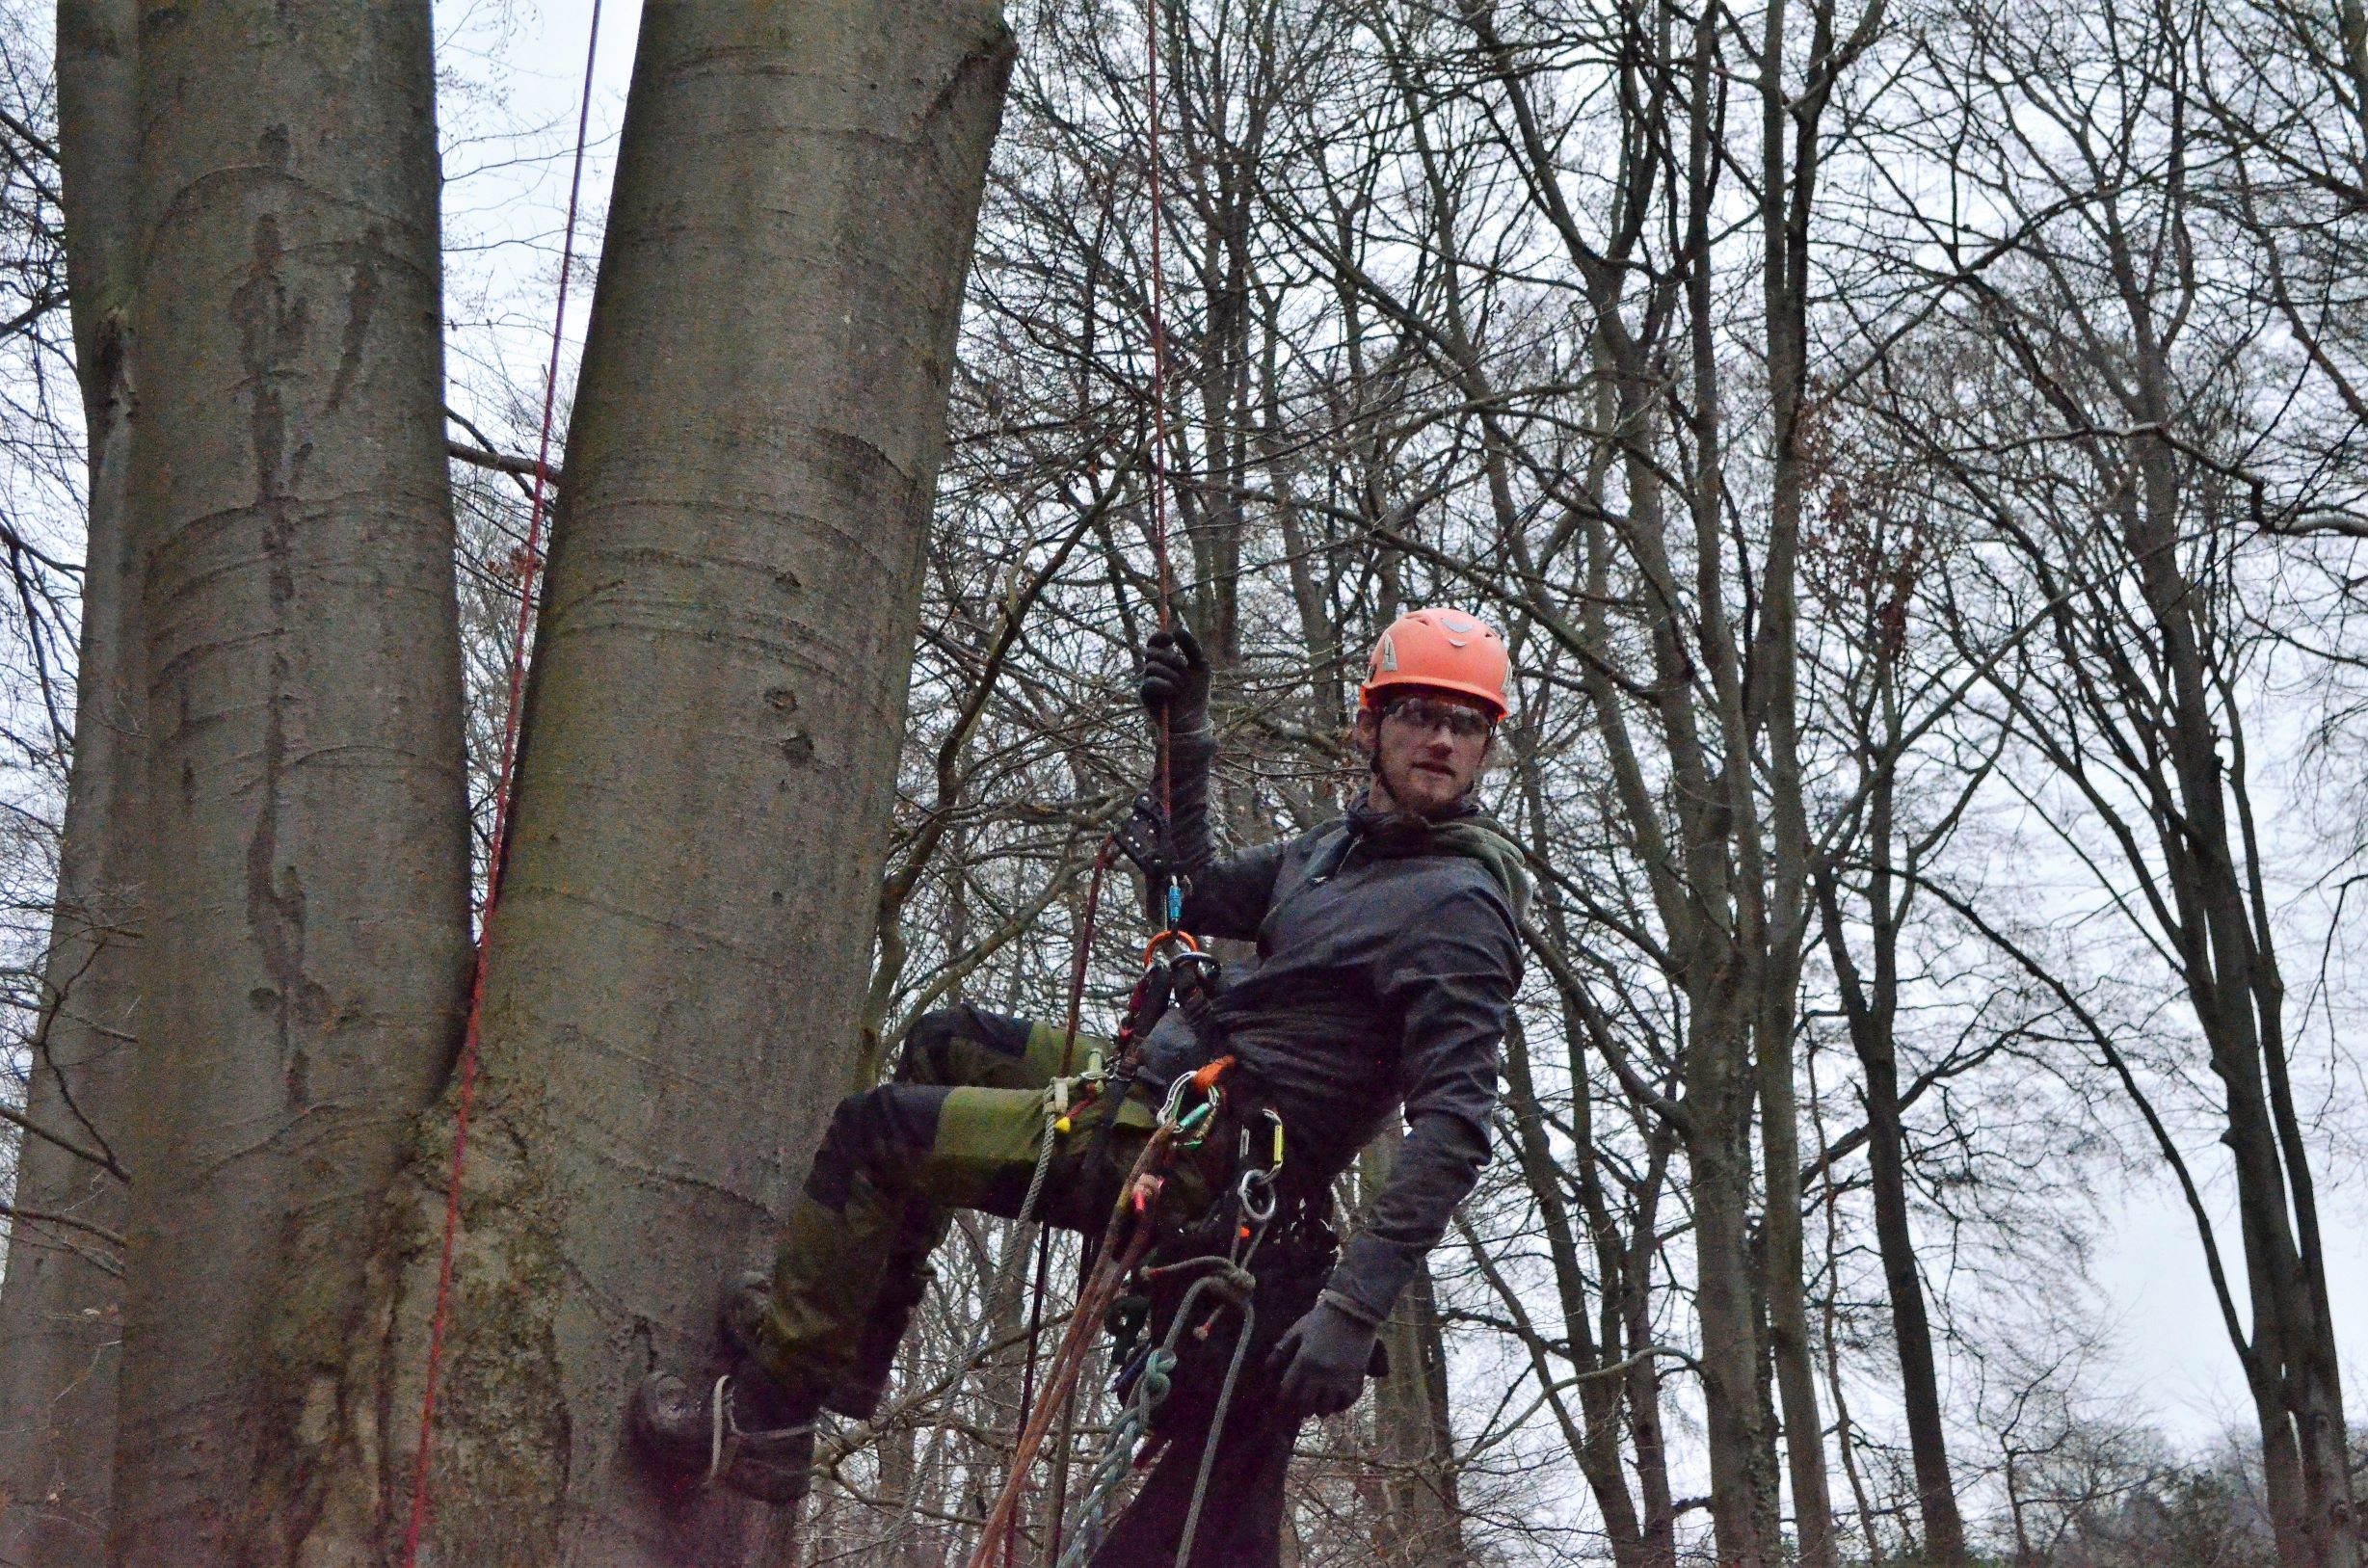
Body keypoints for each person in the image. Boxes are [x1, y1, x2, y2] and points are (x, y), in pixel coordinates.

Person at [629, 607, 1529, 1568]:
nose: (1441, 739)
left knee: (878, 1133)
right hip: (1169, 1083)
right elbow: (1191, 892)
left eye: (1465, 724)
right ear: (1370, 726)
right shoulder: (1332, 853)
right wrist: (1185, 737)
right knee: (945, 1045)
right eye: (1420, 714)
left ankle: (767, 1418)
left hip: (1202, 1154)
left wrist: (1353, 1310)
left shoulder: (1459, 910)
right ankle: (836, 1355)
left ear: (1484, 749)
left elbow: (1456, 1128)